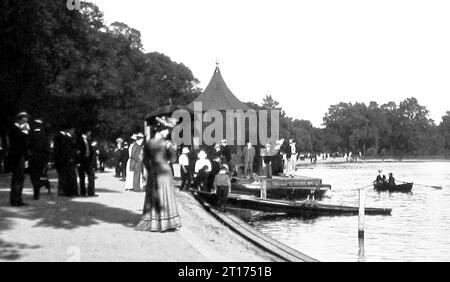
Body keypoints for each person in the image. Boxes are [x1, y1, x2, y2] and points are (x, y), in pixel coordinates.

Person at [136, 116, 181, 232]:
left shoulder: (148, 143)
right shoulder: (167, 144)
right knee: (165, 196)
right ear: (161, 129)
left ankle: (153, 221)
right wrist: (173, 150)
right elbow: (174, 159)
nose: (168, 132)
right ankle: (167, 222)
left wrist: (151, 169)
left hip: (153, 172)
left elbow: (144, 160)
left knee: (153, 196)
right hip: (164, 171)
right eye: (167, 130)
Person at [8, 112, 30, 206]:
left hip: (20, 156)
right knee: (17, 179)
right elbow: (21, 141)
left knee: (20, 179)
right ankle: (15, 200)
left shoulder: (18, 129)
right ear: (20, 119)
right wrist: (25, 132)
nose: (26, 122)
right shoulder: (14, 129)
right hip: (17, 157)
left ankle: (18, 199)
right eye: (25, 120)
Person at [28, 119, 51, 200]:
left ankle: (36, 191)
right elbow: (48, 149)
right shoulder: (45, 136)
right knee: (42, 175)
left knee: (34, 176)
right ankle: (44, 185)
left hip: (33, 159)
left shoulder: (30, 135)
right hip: (42, 159)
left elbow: (28, 147)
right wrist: (48, 160)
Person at [76, 129, 96, 197]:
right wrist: (78, 161)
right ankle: (83, 192)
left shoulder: (88, 140)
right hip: (81, 161)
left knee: (91, 175)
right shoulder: (79, 140)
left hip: (87, 161)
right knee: (82, 177)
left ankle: (90, 191)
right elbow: (78, 152)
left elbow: (90, 151)